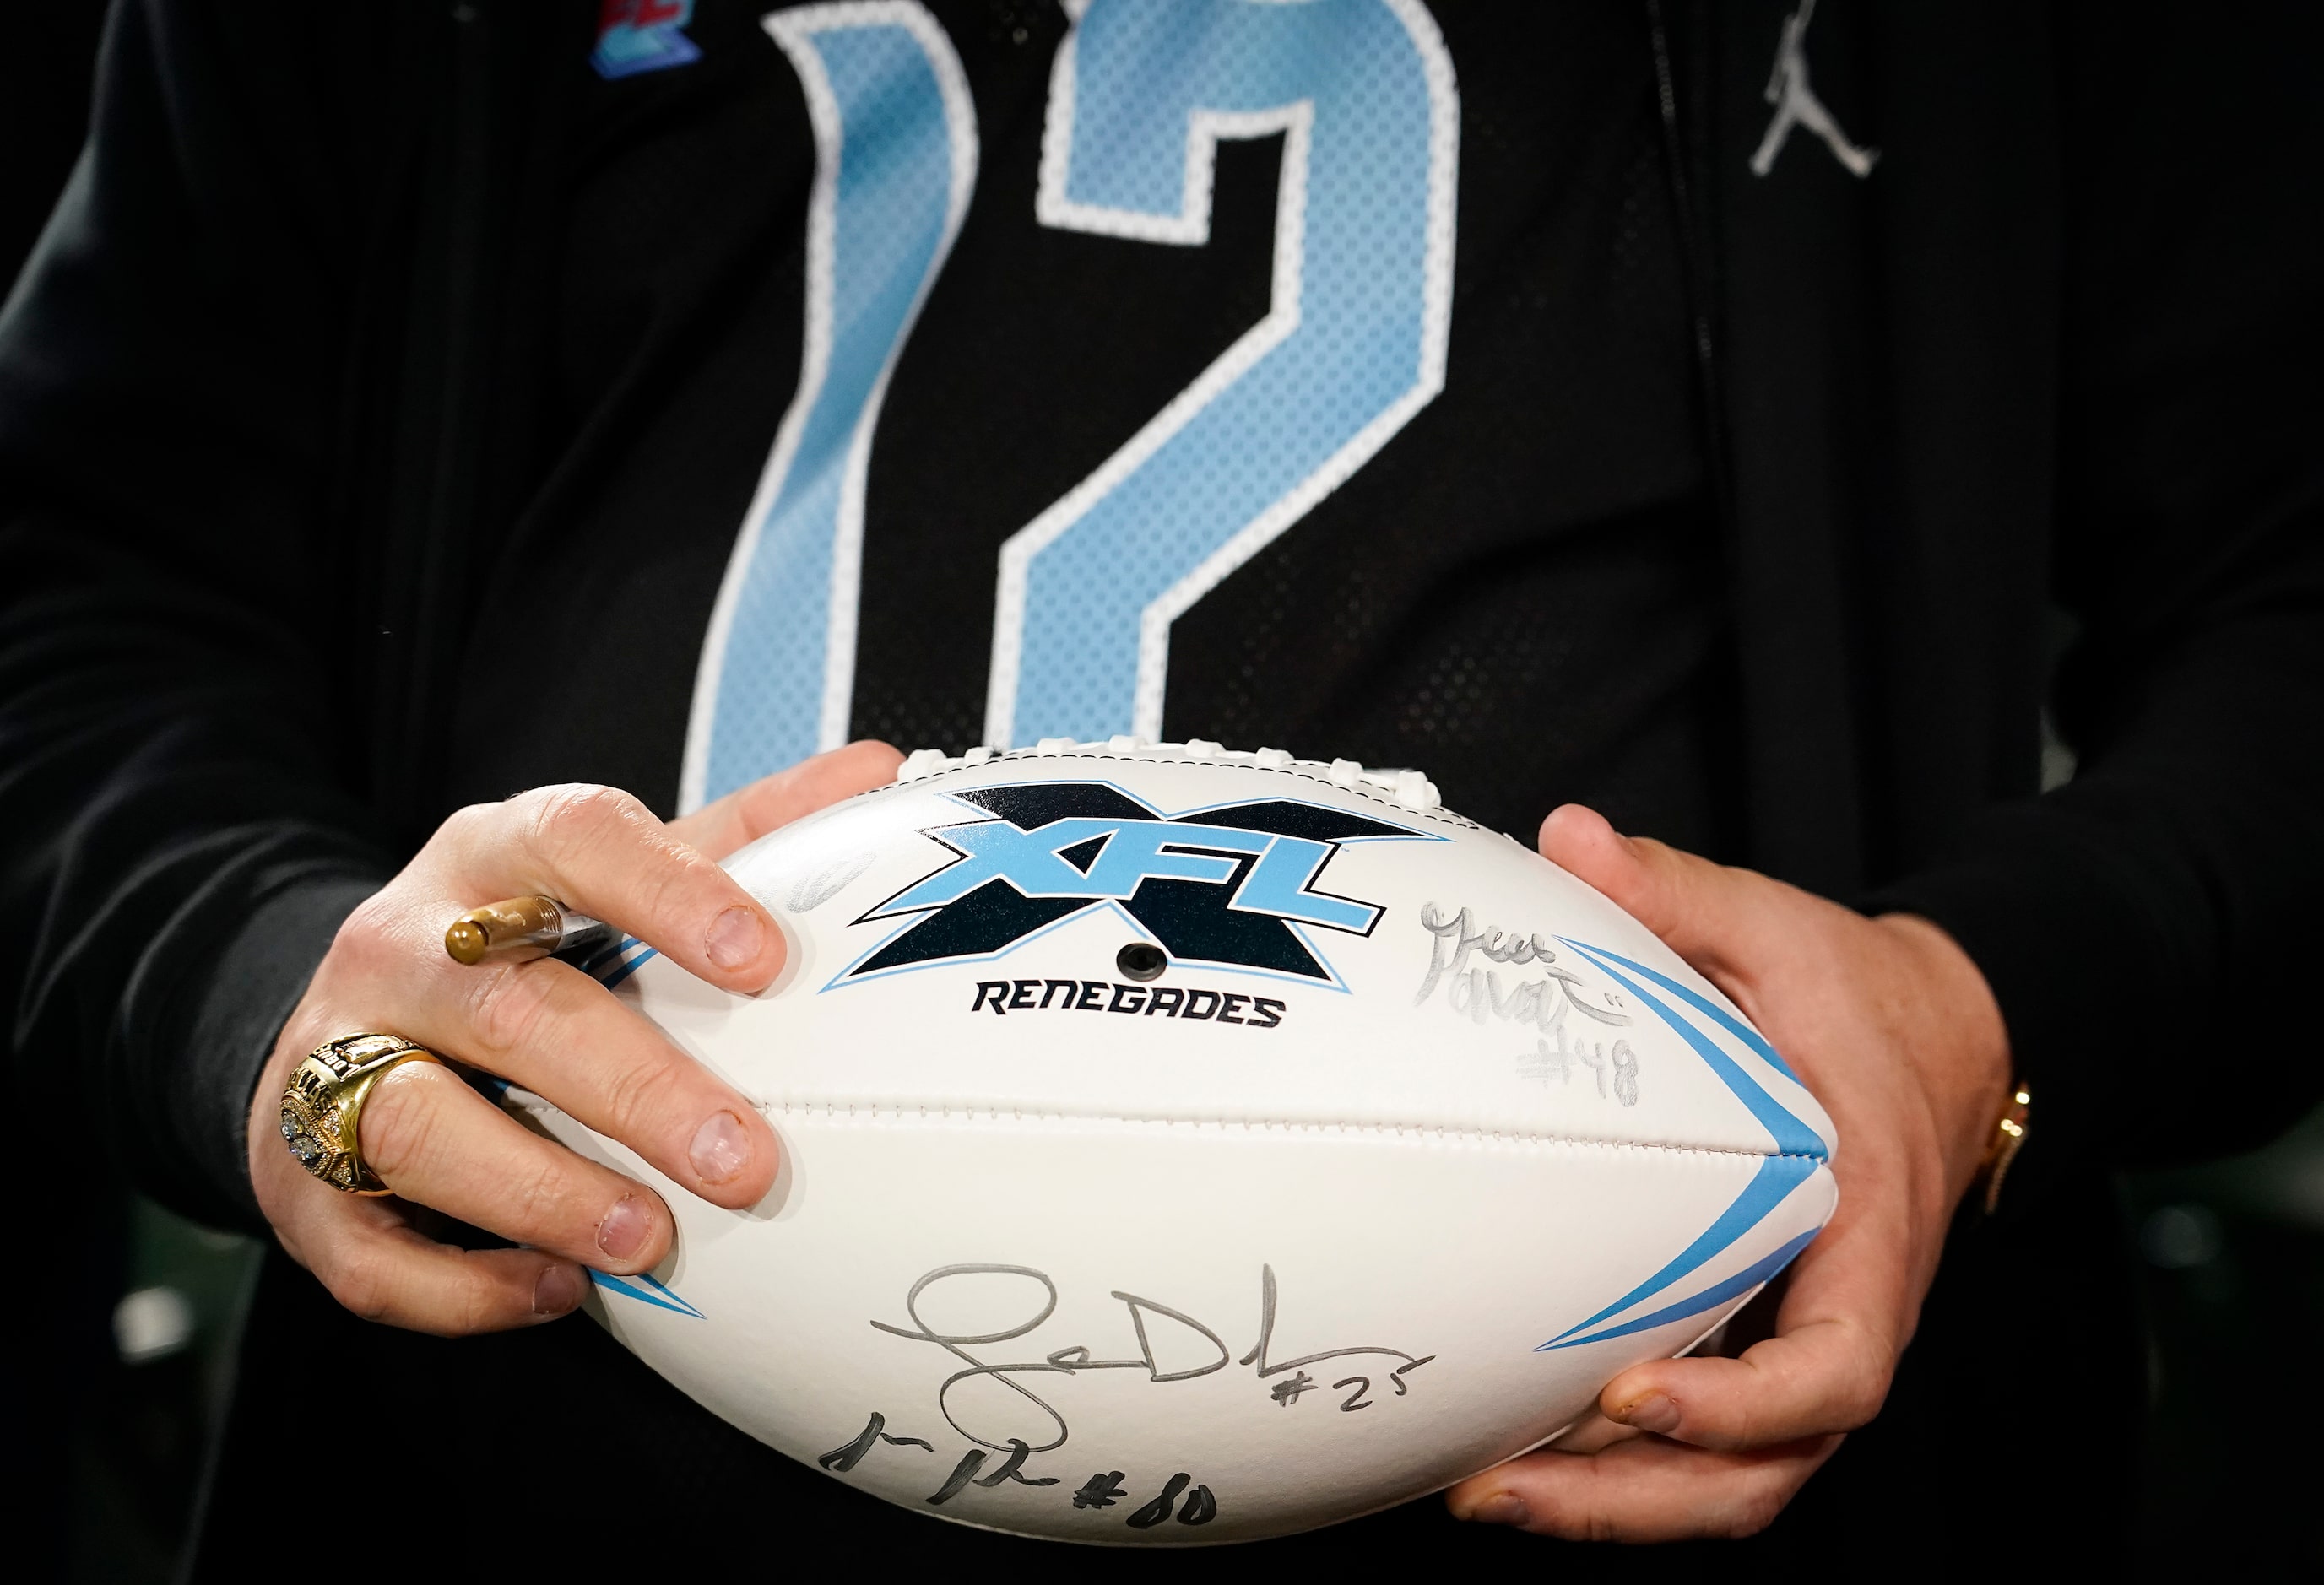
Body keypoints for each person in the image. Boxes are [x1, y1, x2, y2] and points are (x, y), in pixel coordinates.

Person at [3, 0, 2318, 1576]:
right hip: (536, 1467)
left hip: (1690, 1465)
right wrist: (252, 977)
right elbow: (80, 584)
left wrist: (1992, 1000)